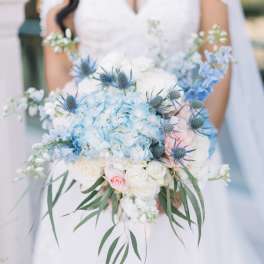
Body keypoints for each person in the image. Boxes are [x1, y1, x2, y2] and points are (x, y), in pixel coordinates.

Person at [33, 0, 263, 263]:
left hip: (183, 152)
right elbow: (60, 71)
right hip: (89, 160)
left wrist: (186, 160)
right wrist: (97, 159)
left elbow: (219, 71)